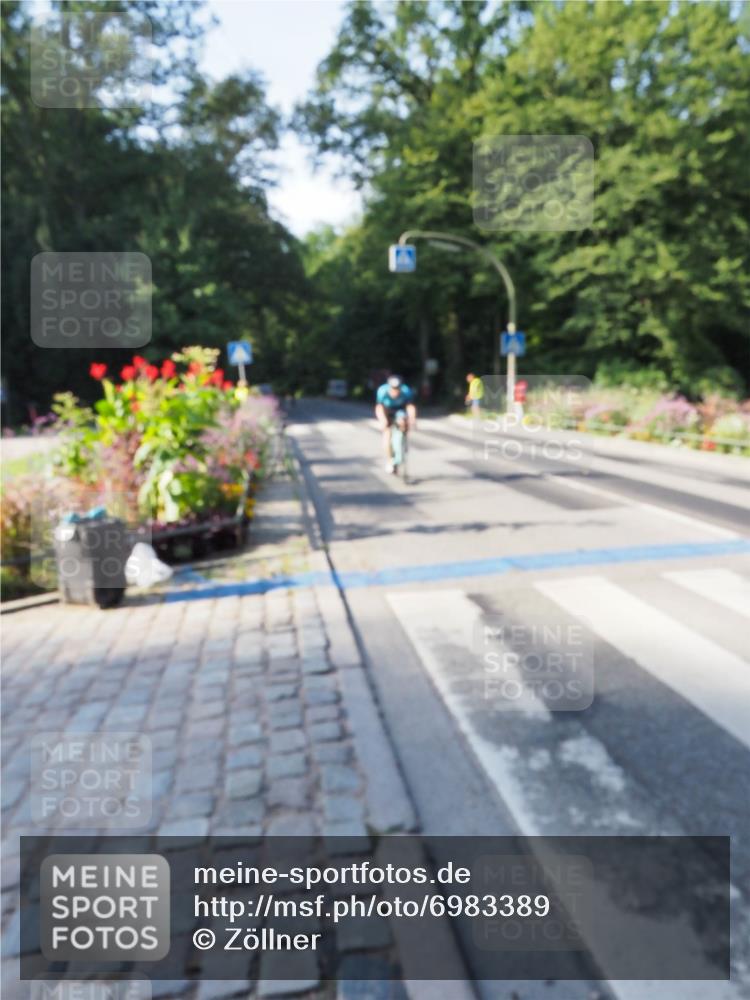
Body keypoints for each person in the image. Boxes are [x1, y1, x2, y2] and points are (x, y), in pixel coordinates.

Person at [375, 375, 417, 473]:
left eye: (397, 389)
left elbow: (410, 406)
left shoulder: (406, 391)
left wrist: (412, 419)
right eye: (393, 389)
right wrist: (383, 420)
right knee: (387, 434)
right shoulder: (382, 391)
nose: (395, 391)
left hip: (400, 410)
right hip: (387, 411)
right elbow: (379, 408)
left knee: (403, 422)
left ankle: (403, 442)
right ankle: (390, 461)